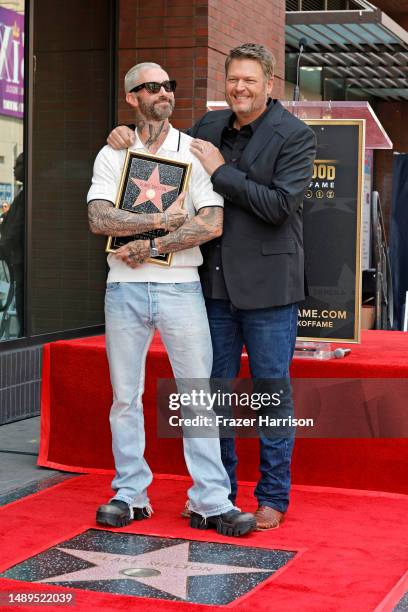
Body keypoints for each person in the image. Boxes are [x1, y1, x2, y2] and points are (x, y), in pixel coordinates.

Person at [107, 43, 316, 530]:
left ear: (270, 84)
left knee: (269, 396)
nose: (239, 88)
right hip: (214, 289)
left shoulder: (295, 135)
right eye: (233, 79)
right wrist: (125, 133)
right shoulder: (206, 127)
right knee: (210, 395)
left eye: (249, 79)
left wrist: (222, 171)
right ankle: (217, 495)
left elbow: (280, 207)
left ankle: (272, 496)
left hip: (269, 290)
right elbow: (158, 145)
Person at [87, 61, 256, 537]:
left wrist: (152, 245)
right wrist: (162, 221)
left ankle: (210, 500)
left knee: (198, 395)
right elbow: (99, 218)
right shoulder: (112, 152)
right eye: (152, 86)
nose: (164, 92)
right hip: (123, 287)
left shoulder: (194, 151)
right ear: (132, 97)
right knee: (124, 396)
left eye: (169, 84)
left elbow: (210, 223)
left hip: (181, 285)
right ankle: (129, 493)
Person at [0, 154, 25, 336]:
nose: (13, 168)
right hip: (17, 259)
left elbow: (13, 231)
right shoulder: (23, 195)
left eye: (17, 165)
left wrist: (3, 248)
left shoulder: (25, 197)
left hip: (21, 260)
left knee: (22, 299)